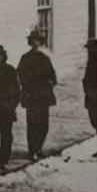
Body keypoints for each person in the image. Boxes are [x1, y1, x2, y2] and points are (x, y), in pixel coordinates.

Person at [17, 28, 58, 160]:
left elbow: (53, 76)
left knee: (43, 124)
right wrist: (27, 87)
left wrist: (49, 83)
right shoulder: (25, 58)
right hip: (31, 95)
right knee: (32, 124)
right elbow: (20, 76)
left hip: (43, 96)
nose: (35, 43)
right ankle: (32, 150)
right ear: (30, 42)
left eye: (38, 41)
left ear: (40, 43)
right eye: (33, 41)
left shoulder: (44, 58)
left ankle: (39, 147)